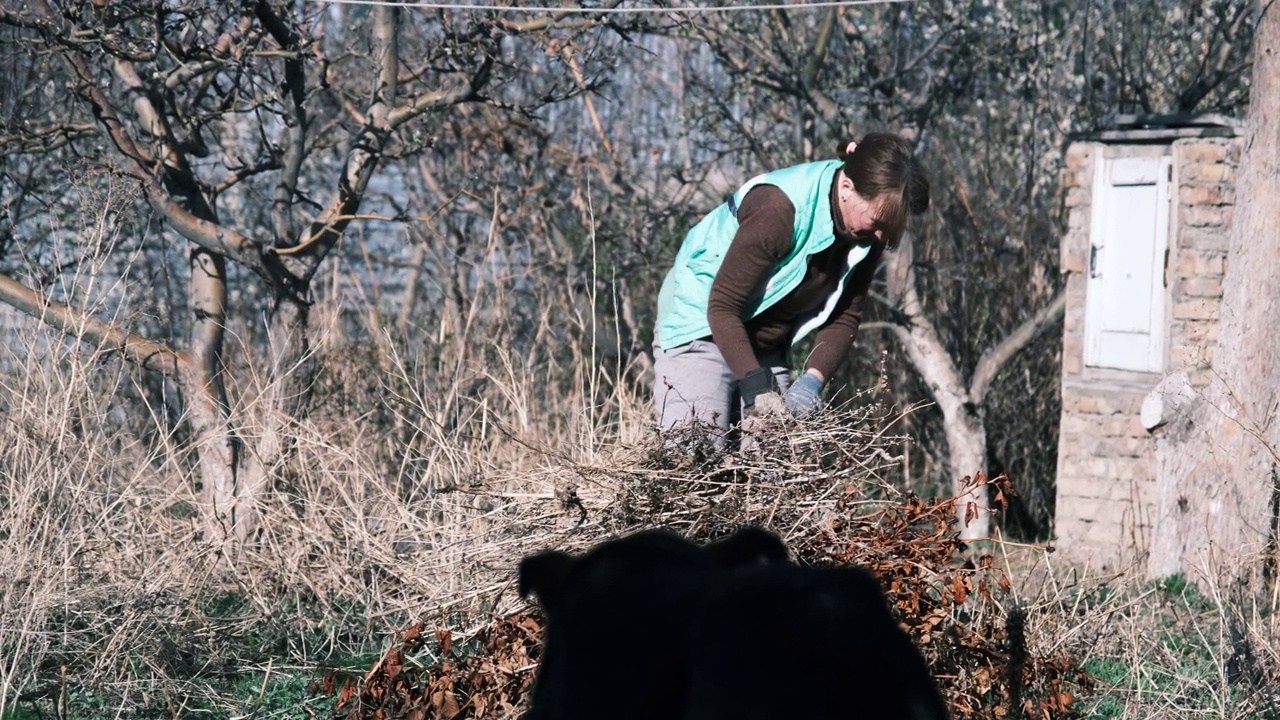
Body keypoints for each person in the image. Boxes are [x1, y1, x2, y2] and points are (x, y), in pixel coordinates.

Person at [652, 132, 930, 443]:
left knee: (777, 459)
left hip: (766, 336)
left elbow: (844, 316)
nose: (880, 236)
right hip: (700, 320)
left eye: (888, 227)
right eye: (877, 222)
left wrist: (812, 380)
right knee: (699, 449)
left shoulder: (871, 230)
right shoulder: (778, 208)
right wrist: (755, 385)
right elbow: (722, 306)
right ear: (848, 187)